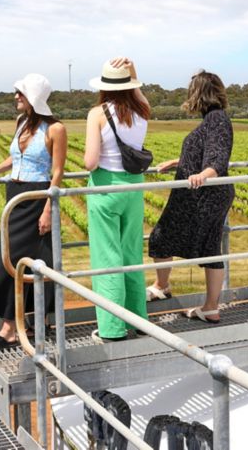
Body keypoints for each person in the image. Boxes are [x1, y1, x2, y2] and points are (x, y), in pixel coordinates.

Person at [0, 73, 67, 350]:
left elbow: (58, 172)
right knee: (7, 262)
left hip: (38, 197)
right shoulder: (21, 121)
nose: (15, 97)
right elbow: (14, 157)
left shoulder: (55, 129)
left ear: (33, 97)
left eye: (21, 93)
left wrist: (48, 208)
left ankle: (10, 329)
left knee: (28, 263)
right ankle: (16, 325)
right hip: (14, 196)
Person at [147, 70, 234, 323]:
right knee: (210, 247)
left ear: (198, 93)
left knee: (161, 236)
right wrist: (179, 162)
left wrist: (202, 175)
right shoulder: (214, 118)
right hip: (208, 194)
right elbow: (206, 152)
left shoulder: (216, 120)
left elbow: (218, 157)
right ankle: (210, 308)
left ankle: (162, 286)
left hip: (202, 196)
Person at [83, 57, 152, 342]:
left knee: (107, 259)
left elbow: (90, 162)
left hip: (105, 190)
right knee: (131, 255)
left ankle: (112, 328)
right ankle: (138, 321)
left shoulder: (97, 113)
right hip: (134, 189)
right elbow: (140, 95)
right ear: (130, 84)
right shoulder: (142, 111)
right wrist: (133, 70)